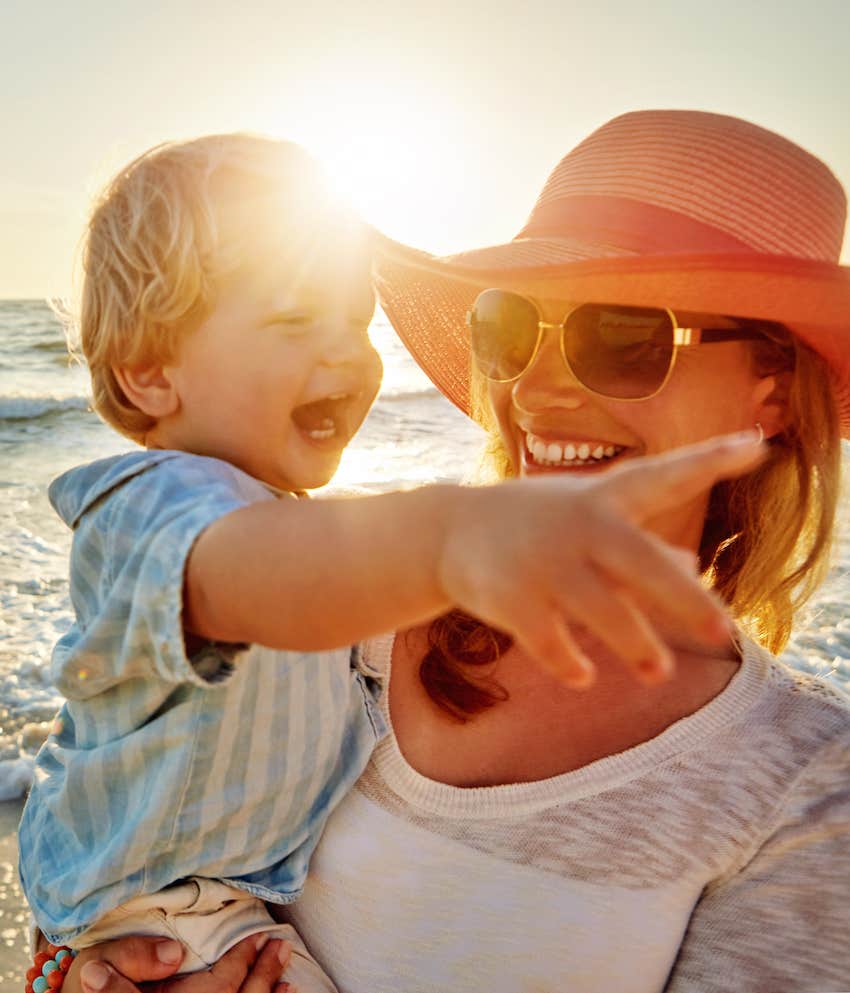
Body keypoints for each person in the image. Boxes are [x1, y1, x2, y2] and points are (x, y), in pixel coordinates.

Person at [57, 110, 849, 993]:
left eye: (623, 338)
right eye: (511, 328)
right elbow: (134, 834)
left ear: (770, 395)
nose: (537, 389)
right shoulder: (334, 598)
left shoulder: (809, 788)